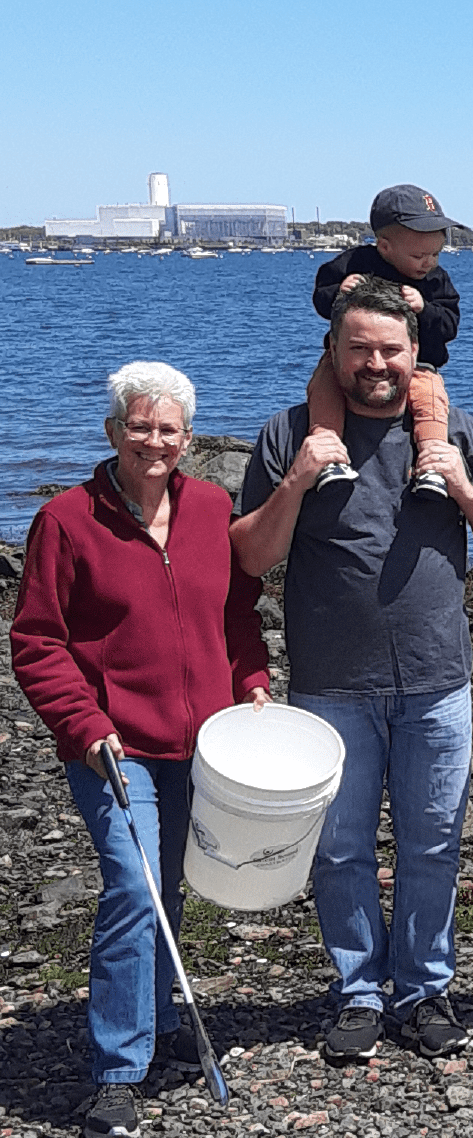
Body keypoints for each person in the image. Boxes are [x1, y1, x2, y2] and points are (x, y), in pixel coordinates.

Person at [231, 278, 473, 1064]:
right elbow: (252, 556)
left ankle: (424, 988)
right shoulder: (290, 432)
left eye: (390, 350)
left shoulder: (451, 427)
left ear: (415, 354)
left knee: (434, 846)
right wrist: (297, 477)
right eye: (359, 349)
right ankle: (359, 992)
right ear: (333, 352)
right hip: (330, 686)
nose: (375, 364)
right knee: (340, 849)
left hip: (437, 680)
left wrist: (458, 480)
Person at [10, 363, 270, 1138]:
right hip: (112, 751)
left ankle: (155, 1028)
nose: (153, 441)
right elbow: (36, 642)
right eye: (139, 425)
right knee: (133, 887)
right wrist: (84, 725)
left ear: (188, 439)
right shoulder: (65, 520)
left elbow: (236, 617)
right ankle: (117, 1072)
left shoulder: (211, 508)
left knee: (173, 891)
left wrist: (252, 681)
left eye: (168, 429)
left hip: (205, 747)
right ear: (113, 430)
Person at [307, 184, 462, 495]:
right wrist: (339, 290)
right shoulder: (355, 263)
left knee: (430, 397)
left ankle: (432, 463)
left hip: (421, 364)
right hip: (346, 362)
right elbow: (321, 300)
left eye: (435, 254)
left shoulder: (436, 281)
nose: (428, 263)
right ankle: (327, 452)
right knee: (324, 386)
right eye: (419, 255)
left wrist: (424, 309)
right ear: (384, 247)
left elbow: (450, 325)